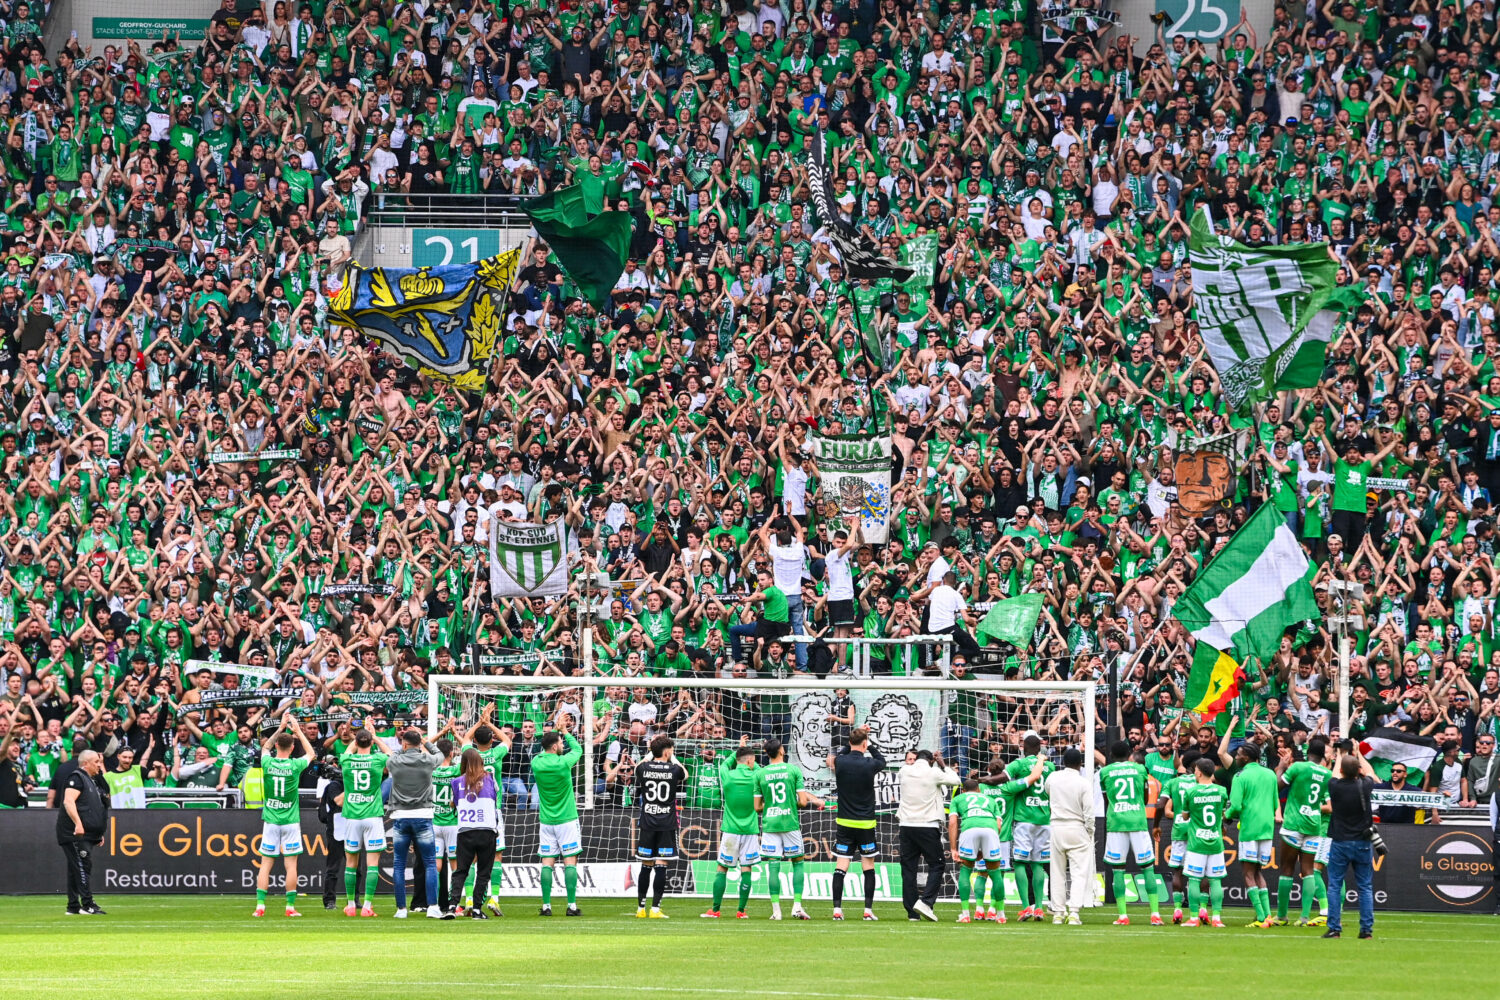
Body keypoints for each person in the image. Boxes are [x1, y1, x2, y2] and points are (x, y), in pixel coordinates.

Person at [954, 759, 1045, 923]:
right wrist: (1040, 760)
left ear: (989, 770)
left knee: (981, 874)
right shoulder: (1010, 787)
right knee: (998, 875)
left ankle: (979, 910)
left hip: (979, 829)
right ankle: (993, 910)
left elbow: (969, 790)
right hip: (1001, 836)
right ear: (1004, 772)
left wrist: (975, 777)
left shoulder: (981, 788)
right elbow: (1031, 779)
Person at [755, 737, 824, 920]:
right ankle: (797, 907)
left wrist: (772, 806)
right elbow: (803, 802)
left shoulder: (760, 774)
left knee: (773, 866)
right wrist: (790, 804)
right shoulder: (793, 770)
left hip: (770, 824)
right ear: (782, 751)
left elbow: (757, 807)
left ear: (766, 754)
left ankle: (776, 911)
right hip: (789, 822)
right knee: (798, 862)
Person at [253, 717, 314, 918]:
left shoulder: (267, 762)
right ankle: (290, 907)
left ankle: (260, 906)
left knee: (265, 865)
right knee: (291, 865)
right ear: (292, 747)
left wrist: (279, 729)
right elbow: (311, 754)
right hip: (290, 821)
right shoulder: (295, 765)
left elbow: (265, 747)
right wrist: (299, 731)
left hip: (271, 820)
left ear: (277, 745)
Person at [386, 727, 446, 920]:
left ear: (404, 744)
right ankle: (433, 907)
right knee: (430, 864)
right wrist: (425, 740)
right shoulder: (427, 760)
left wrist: (412, 743)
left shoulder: (394, 761)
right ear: (419, 744)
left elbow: (392, 753)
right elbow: (440, 754)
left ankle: (401, 909)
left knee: (399, 864)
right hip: (423, 816)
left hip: (400, 817)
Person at [1099, 741, 1161, 925]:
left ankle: (1123, 916)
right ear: (1129, 755)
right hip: (1138, 821)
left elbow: (1106, 799)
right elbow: (1146, 797)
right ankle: (1155, 914)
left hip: (1116, 823)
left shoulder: (1104, 772)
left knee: (1118, 870)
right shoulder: (1140, 769)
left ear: (1111, 755)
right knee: (1148, 867)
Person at [1275, 737, 1333, 927]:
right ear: (1323, 755)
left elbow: (1277, 786)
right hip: (1314, 825)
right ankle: (1304, 917)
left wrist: (1281, 767)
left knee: (1287, 869)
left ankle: (1282, 916)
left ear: (1308, 752)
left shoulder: (1298, 767)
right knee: (1308, 870)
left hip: (1294, 823)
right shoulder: (1327, 774)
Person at [460, 709, 514, 915]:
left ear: (475, 741)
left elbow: (465, 738)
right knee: (497, 855)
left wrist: (479, 723)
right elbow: (507, 740)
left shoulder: (470, 755)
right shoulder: (496, 754)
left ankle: (469, 899)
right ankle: (494, 898)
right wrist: (489, 723)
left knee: (471, 858)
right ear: (492, 740)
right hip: (493, 810)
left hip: (471, 810)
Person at [896, 748, 959, 921]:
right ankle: (926, 902)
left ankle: (912, 912)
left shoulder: (904, 770)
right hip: (927, 825)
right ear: (931, 761)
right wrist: (942, 765)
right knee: (937, 864)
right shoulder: (934, 773)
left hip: (906, 825)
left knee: (909, 868)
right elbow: (956, 780)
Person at [701, 737, 761, 919]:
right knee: (746, 868)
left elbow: (726, 764)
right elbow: (761, 771)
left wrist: (738, 750)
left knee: (722, 868)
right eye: (753, 760)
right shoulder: (756, 776)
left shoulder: (727, 775)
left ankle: (715, 909)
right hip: (750, 830)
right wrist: (747, 755)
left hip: (730, 830)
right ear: (750, 761)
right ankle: (741, 911)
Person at [830, 726, 886, 920]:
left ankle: (837, 910)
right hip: (865, 824)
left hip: (844, 823)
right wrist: (869, 744)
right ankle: (867, 911)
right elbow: (882, 760)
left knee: (840, 867)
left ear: (849, 742)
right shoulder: (869, 763)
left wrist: (855, 739)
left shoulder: (840, 761)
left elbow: (842, 753)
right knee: (868, 867)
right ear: (864, 744)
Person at [532, 721, 584, 916]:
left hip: (546, 821)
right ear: (555, 747)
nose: (563, 745)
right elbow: (578, 749)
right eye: (561, 743)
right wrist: (565, 731)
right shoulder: (564, 763)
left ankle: (546, 906)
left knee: (547, 862)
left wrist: (555, 731)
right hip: (567, 819)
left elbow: (543, 749)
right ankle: (571, 906)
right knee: (570, 861)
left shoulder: (536, 762)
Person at [1323, 752, 1378, 939]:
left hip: (1340, 842)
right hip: (1362, 842)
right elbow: (1370, 771)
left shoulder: (1335, 786)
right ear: (1358, 770)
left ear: (1341, 770)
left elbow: (1334, 774)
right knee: (1365, 887)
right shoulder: (1365, 785)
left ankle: (1334, 928)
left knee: (1334, 885)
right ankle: (1366, 930)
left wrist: (1339, 754)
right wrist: (1359, 752)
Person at [1226, 742, 1280, 928]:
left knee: (1248, 873)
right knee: (1258, 871)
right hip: (1267, 829)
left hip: (1249, 829)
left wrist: (1226, 817)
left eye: (1239, 754)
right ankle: (1268, 915)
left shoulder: (1240, 776)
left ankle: (1261, 917)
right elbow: (1275, 804)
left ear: (1246, 757)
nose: (1236, 757)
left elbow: (1235, 806)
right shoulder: (1270, 774)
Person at [634, 735, 687, 919]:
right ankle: (655, 909)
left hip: (647, 822)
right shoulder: (674, 769)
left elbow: (638, 766)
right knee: (661, 865)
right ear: (667, 752)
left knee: (646, 865)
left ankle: (640, 908)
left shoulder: (644, 767)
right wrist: (672, 758)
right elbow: (685, 774)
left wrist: (651, 753)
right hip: (666, 823)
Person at [339, 725, 389, 917]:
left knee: (351, 863)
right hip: (372, 816)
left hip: (353, 817)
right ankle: (367, 906)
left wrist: (359, 737)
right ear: (371, 742)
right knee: (373, 864)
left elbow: (349, 750)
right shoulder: (378, 760)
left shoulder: (347, 760)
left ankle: (351, 905)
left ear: (356, 742)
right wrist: (375, 736)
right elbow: (391, 754)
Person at [448, 748, 502, 920]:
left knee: (461, 870)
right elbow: (495, 798)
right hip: (486, 830)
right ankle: (477, 909)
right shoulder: (490, 778)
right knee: (484, 872)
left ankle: (452, 906)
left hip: (465, 831)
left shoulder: (456, 782)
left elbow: (455, 804)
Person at [1006, 732, 1054, 920]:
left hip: (1024, 819)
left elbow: (1004, 778)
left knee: (1020, 862)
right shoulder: (1050, 766)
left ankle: (1027, 906)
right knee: (1038, 864)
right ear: (1039, 748)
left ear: (1023, 748)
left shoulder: (1018, 764)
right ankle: (1039, 907)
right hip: (1044, 819)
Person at [1043, 747, 1093, 925]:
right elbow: (1089, 812)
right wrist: (1089, 832)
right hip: (1077, 826)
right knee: (1079, 873)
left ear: (1063, 762)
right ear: (1080, 764)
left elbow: (1047, 792)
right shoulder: (1084, 783)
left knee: (1057, 872)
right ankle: (1074, 913)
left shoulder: (1053, 778)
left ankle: (1058, 913)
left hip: (1057, 826)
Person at [57, 749, 109, 915]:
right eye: (96, 762)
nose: (99, 765)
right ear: (85, 763)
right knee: (82, 866)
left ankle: (73, 906)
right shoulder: (76, 778)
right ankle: (87, 904)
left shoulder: (91, 781)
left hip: (87, 833)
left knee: (75, 868)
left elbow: (92, 808)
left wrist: (97, 832)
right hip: (74, 833)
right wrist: (78, 824)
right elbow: (68, 801)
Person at [1180, 756, 1230, 928]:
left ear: (1199, 773)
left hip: (1197, 843)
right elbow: (1223, 814)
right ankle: (1217, 918)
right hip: (1215, 841)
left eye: (1195, 770)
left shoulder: (1191, 792)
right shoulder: (1221, 791)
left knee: (1194, 880)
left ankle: (1194, 918)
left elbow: (1184, 816)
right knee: (1215, 881)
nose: (1194, 773)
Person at [1154, 750, 1200, 924]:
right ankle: (1201, 910)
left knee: (1178, 871)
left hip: (1180, 829)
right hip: (1197, 829)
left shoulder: (1172, 782)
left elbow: (1160, 805)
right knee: (1199, 872)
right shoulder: (1201, 781)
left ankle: (1178, 910)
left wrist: (1156, 825)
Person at [430, 735, 461, 915]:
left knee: (435, 866)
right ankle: (453, 904)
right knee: (455, 865)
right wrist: (456, 734)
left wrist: (439, 734)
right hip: (452, 823)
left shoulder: (430, 770)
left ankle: (434, 905)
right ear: (451, 753)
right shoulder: (456, 770)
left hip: (434, 823)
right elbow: (469, 752)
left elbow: (423, 747)